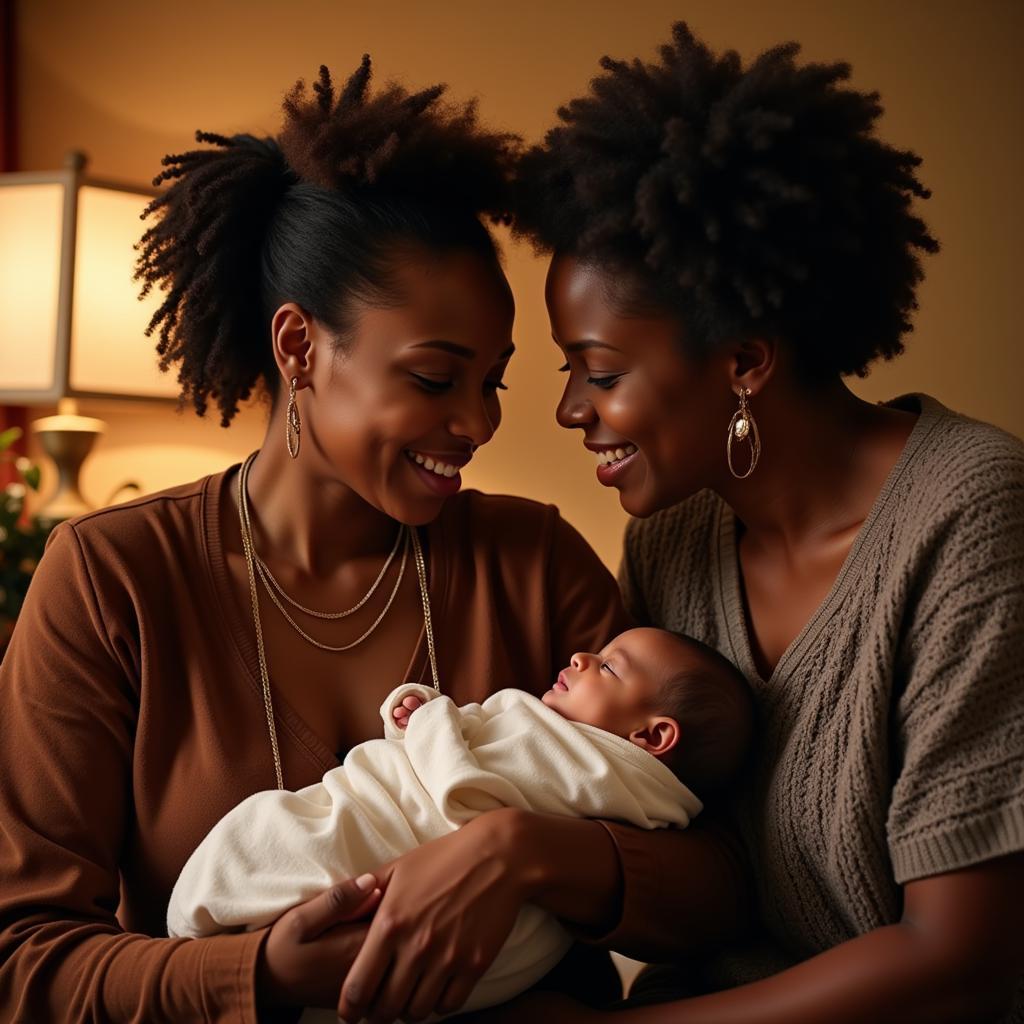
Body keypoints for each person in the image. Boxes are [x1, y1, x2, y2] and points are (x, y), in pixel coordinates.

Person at [0, 59, 750, 1024]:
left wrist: (520, 850)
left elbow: (721, 880)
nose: (478, 424)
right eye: (437, 381)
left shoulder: (530, 562)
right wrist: (258, 975)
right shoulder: (114, 579)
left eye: (495, 382)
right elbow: (23, 960)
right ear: (300, 348)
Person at [493, 21, 1024, 1024]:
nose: (569, 409)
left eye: (599, 372)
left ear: (743, 362)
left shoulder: (973, 517)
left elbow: (962, 962)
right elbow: (677, 860)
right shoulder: (672, 538)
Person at [166, 627, 753, 1022]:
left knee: (273, 828)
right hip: (468, 974)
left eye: (607, 667)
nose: (579, 657)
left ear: (651, 736)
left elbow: (465, 793)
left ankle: (208, 917)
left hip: (397, 845)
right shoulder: (640, 800)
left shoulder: (572, 755)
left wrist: (430, 718)